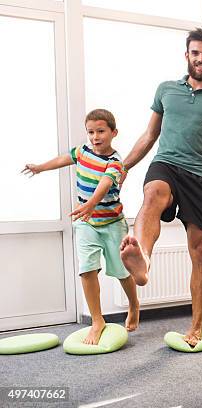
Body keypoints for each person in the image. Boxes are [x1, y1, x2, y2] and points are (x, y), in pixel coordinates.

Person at [119, 27, 202, 346]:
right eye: (195, 52)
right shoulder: (166, 90)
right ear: (187, 55)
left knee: (201, 251)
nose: (201, 58)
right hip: (167, 163)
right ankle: (144, 262)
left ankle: (196, 326)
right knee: (152, 194)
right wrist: (122, 167)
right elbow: (149, 136)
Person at [22, 109, 139, 345]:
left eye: (101, 131)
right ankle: (98, 320)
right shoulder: (83, 151)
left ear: (113, 133)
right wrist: (40, 167)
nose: (95, 137)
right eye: (91, 132)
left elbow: (105, 185)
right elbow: (63, 159)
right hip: (87, 223)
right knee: (87, 269)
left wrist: (90, 205)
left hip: (112, 223)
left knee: (121, 271)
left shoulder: (115, 162)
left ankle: (134, 305)